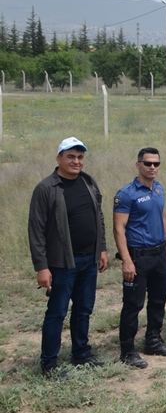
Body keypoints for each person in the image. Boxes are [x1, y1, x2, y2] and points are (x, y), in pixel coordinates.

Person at [29, 137, 108, 375]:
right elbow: (36, 230)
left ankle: (81, 354)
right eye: (71, 157)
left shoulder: (88, 182)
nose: (76, 161)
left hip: (89, 261)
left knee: (84, 309)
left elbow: (99, 218)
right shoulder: (46, 188)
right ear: (59, 159)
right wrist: (42, 267)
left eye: (80, 157)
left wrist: (102, 248)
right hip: (62, 263)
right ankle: (49, 365)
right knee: (57, 313)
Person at [113, 147, 166, 368]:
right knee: (133, 304)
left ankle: (153, 340)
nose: (152, 167)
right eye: (148, 163)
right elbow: (119, 229)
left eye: (156, 164)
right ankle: (127, 350)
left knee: (158, 301)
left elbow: (162, 217)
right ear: (138, 165)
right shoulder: (127, 194)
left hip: (158, 254)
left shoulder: (158, 189)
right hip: (138, 257)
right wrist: (127, 260)